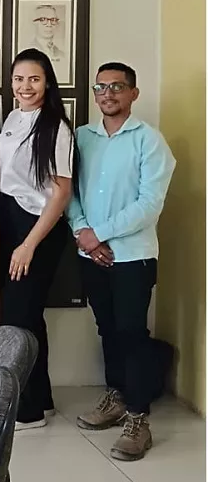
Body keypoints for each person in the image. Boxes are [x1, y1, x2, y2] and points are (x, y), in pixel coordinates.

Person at [68, 62, 176, 461]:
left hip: (133, 256)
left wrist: (102, 234)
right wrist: (83, 232)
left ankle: (138, 418)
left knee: (132, 333)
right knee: (107, 329)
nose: (108, 94)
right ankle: (115, 397)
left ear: (134, 93)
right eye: (101, 87)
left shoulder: (149, 141)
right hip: (90, 254)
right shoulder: (81, 138)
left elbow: (149, 204)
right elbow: (69, 192)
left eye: (117, 87)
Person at [0, 48, 74, 430]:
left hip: (38, 226)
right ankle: (41, 399)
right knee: (27, 317)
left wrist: (29, 244)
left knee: (19, 318)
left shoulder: (56, 127)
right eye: (19, 79)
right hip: (9, 218)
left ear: (47, 83)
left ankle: (27, 411)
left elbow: (61, 192)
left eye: (34, 79)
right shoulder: (13, 117)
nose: (25, 86)